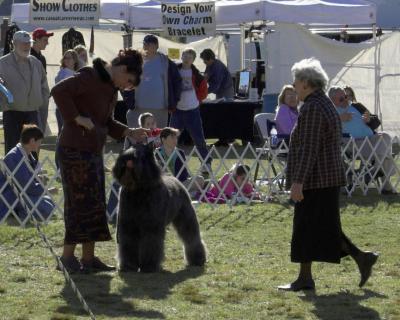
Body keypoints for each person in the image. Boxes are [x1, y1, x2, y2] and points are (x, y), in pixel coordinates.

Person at [279, 58, 378, 291]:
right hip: (325, 177)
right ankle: (361, 258)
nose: (293, 86)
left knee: (306, 227)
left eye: (296, 81)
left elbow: (309, 147)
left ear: (305, 83)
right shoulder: (321, 103)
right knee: (323, 227)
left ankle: (306, 278)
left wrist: (298, 182)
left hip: (317, 178)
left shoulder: (313, 107)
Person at [51, 49, 149, 273]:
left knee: (94, 205)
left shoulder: (111, 88)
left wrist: (129, 132)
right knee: (78, 204)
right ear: (123, 69)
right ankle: (66, 258)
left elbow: (106, 122)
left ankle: (88, 259)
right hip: (73, 149)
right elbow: (58, 91)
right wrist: (76, 118)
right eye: (129, 81)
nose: (127, 87)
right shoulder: (90, 76)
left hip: (92, 150)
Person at [328, 86, 396, 194]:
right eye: (341, 99)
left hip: (370, 140)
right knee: (385, 154)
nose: (346, 100)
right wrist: (339, 118)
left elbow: (376, 121)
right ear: (332, 100)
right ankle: (386, 186)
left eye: (346, 97)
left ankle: (376, 169)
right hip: (350, 144)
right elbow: (324, 128)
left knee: (385, 137)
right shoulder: (330, 111)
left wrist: (369, 119)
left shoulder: (357, 106)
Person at [0, 31, 49, 154]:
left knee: (33, 150)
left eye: (29, 43)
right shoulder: (2, 63)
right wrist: (4, 105)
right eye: (23, 43)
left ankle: (32, 173)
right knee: (13, 149)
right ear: (14, 44)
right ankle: (12, 173)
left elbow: (44, 86)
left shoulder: (36, 62)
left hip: (32, 112)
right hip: (12, 113)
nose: (27, 46)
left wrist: (41, 102)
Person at [0, 125, 56, 222]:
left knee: (50, 203)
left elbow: (30, 178)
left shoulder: (25, 153)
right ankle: (17, 212)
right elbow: (26, 186)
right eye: (39, 141)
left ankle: (20, 211)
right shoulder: (14, 157)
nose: (40, 144)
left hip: (21, 193)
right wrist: (47, 190)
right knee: (46, 208)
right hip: (10, 196)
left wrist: (40, 179)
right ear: (32, 141)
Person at [127, 34, 182, 128]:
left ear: (156, 46)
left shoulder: (165, 61)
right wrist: (128, 100)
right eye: (145, 44)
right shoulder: (135, 61)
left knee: (157, 138)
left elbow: (177, 81)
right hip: (138, 108)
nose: (147, 47)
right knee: (137, 138)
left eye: (150, 44)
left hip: (160, 108)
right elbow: (124, 80)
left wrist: (173, 102)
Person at [170, 48, 211, 172]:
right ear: (181, 57)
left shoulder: (198, 75)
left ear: (193, 60)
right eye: (185, 56)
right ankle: (166, 163)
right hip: (177, 111)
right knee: (170, 138)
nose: (187, 59)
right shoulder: (174, 71)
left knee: (199, 139)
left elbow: (203, 92)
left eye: (190, 57)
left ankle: (206, 164)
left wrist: (196, 101)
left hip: (193, 111)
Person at [156, 127, 205, 195]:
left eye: (176, 137)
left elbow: (183, 174)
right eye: (172, 137)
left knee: (200, 179)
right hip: (164, 184)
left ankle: (179, 193)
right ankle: (186, 193)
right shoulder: (157, 153)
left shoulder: (180, 153)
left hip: (180, 183)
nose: (175, 140)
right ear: (163, 139)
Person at [30, 28, 53, 133]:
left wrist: (46, 94)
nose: (47, 43)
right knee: (32, 129)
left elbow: (43, 79)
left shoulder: (42, 58)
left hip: (42, 97)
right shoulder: (27, 56)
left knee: (40, 130)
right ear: (36, 39)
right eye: (45, 40)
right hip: (31, 99)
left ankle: (36, 149)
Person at [55, 50, 80, 135]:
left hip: (69, 108)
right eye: (65, 58)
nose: (67, 60)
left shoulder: (75, 73)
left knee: (67, 133)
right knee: (65, 133)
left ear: (75, 60)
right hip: (65, 108)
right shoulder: (64, 72)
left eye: (69, 58)